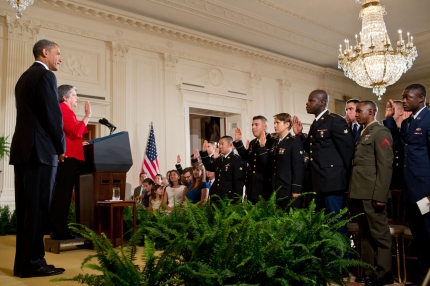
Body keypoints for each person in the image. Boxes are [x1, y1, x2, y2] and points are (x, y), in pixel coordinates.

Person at [9, 39, 66, 278]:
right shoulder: (46, 77)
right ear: (45, 52)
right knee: (38, 209)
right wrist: (60, 146)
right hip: (40, 152)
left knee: (26, 210)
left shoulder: (23, 77)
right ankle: (34, 263)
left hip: (23, 151)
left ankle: (24, 263)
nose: (60, 58)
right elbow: (52, 116)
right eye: (58, 53)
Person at [384, 84, 430, 285]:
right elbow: (398, 144)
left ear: (420, 98)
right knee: (420, 239)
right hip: (411, 190)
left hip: (426, 191)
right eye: (403, 97)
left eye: (407, 97)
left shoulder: (428, 119)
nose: (403, 100)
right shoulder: (409, 121)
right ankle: (422, 278)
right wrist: (391, 119)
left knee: (429, 238)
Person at [292, 90, 354, 239]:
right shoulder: (316, 123)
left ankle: (342, 260)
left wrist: (343, 177)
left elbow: (347, 150)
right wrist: (300, 135)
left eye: (311, 101)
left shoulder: (334, 120)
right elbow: (313, 150)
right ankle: (328, 260)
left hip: (332, 182)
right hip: (319, 182)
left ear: (321, 102)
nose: (307, 103)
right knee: (324, 224)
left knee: (336, 223)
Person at [348, 101, 394, 286]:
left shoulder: (380, 132)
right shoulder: (363, 132)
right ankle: (369, 271)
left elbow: (385, 166)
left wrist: (380, 196)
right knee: (365, 235)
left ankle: (384, 273)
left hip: (372, 193)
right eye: (356, 111)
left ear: (371, 112)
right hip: (359, 192)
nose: (356, 114)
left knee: (380, 235)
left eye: (359, 111)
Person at [50, 85, 91, 240]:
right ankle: (59, 231)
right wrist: (87, 116)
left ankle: (58, 229)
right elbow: (74, 131)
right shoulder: (63, 109)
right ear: (65, 97)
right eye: (74, 95)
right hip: (67, 159)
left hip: (68, 156)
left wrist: (79, 144)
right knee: (63, 195)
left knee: (63, 195)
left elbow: (68, 136)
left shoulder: (64, 110)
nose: (77, 98)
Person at [233, 115, 276, 203]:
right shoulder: (253, 142)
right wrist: (238, 142)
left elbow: (270, 164)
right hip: (252, 186)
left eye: (256, 125)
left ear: (265, 126)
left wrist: (262, 147)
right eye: (252, 125)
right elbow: (247, 158)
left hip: (265, 187)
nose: (253, 127)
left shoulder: (272, 141)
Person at [267, 113, 304, 209]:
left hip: (288, 188)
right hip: (275, 188)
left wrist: (296, 189)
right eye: (274, 123)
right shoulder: (275, 143)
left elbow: (298, 167)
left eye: (278, 123)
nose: (275, 125)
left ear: (287, 124)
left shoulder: (294, 141)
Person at [201, 136, 246, 202]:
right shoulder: (220, 159)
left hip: (228, 198)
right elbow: (209, 167)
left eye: (222, 144)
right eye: (219, 144)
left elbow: (238, 183)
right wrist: (204, 152)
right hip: (218, 197)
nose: (220, 147)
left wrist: (236, 200)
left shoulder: (236, 160)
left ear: (230, 144)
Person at [383, 100, 411, 191]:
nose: (389, 111)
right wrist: (389, 119)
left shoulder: (409, 129)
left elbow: (398, 143)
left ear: (401, 111)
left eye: (392, 108)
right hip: (392, 179)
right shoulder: (387, 129)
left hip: (408, 177)